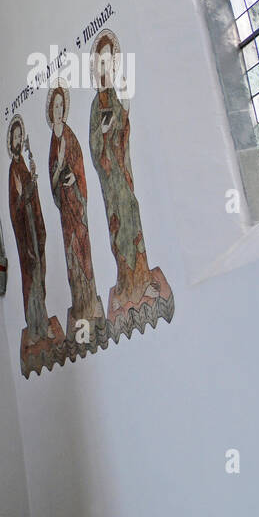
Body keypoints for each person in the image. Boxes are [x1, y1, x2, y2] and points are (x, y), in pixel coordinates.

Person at [88, 31, 161, 315]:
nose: (107, 69)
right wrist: (103, 133)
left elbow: (123, 133)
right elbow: (95, 146)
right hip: (110, 179)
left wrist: (125, 110)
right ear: (97, 68)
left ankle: (142, 281)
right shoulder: (97, 104)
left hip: (122, 171)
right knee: (120, 224)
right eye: (102, 64)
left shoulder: (115, 97)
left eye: (110, 62)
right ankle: (127, 283)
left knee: (133, 211)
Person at [46, 85, 104, 327]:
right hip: (65, 211)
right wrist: (59, 168)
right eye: (55, 106)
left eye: (61, 105)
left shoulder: (69, 136)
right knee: (71, 256)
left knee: (83, 251)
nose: (59, 110)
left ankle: (90, 303)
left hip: (77, 206)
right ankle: (80, 306)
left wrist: (75, 179)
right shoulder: (53, 143)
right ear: (51, 110)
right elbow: (52, 180)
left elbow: (79, 165)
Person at [8, 115, 49, 342]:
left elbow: (30, 196)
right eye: (15, 137)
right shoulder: (12, 171)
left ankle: (42, 322)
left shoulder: (22, 164)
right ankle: (34, 326)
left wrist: (32, 179)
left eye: (19, 136)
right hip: (26, 231)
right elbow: (17, 204)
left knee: (40, 270)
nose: (18, 140)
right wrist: (28, 190)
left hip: (34, 224)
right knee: (31, 274)